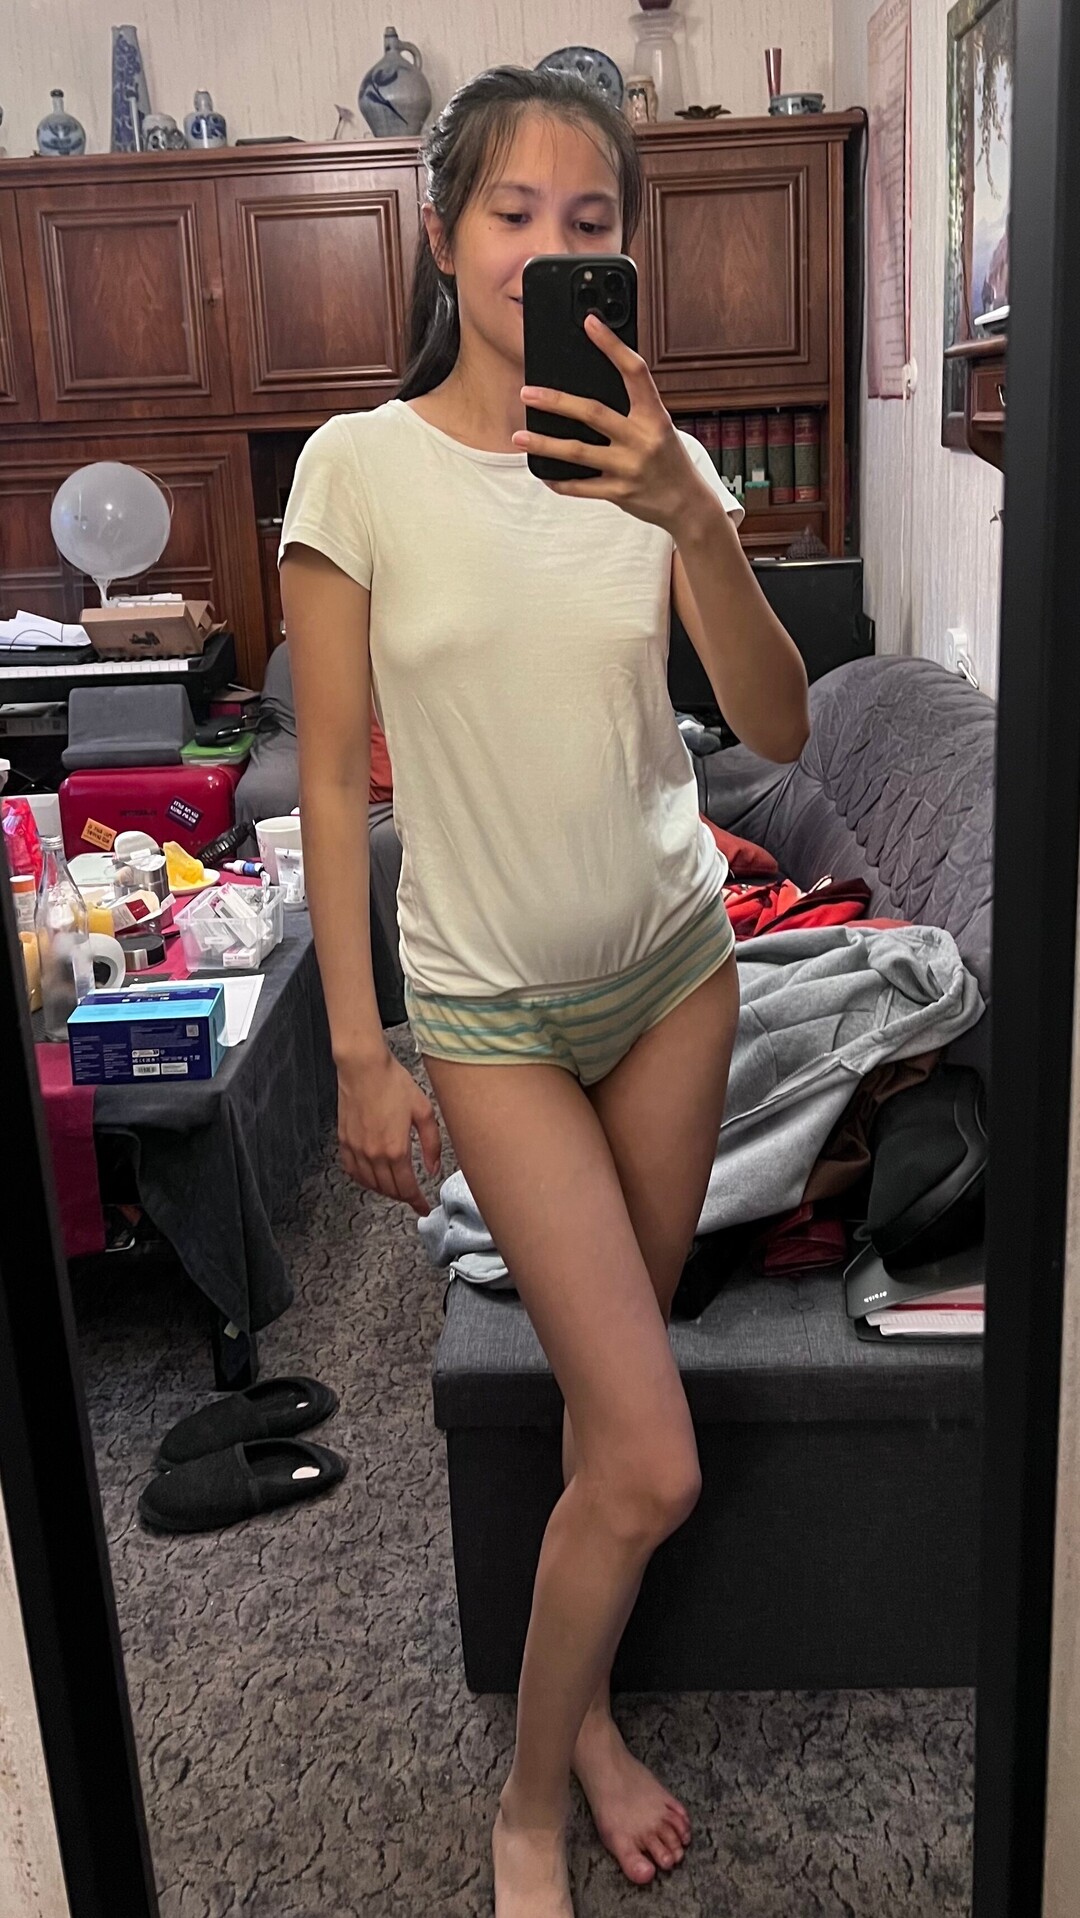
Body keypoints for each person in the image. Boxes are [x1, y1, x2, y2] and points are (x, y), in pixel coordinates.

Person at [279, 64, 809, 1918]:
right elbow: (328, 776)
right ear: (443, 238)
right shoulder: (358, 467)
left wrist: (692, 512)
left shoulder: (656, 459)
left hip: (674, 981)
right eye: (513, 213)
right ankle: (528, 1798)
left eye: (589, 222)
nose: (546, 248)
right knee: (654, 1454)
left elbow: (776, 724)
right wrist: (359, 1047)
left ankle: (578, 1722)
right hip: (491, 1017)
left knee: (611, 1409)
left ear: (624, 252)